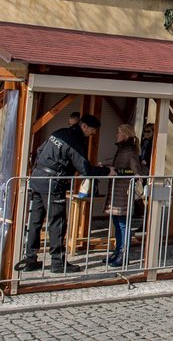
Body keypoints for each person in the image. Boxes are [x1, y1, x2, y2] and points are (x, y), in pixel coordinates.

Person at [18, 114, 111, 273]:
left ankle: (30, 259)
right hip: (53, 183)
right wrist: (107, 171)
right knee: (57, 223)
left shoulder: (60, 132)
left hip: (38, 178)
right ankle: (58, 263)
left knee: (35, 220)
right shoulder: (75, 140)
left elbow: (40, 150)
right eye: (92, 131)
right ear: (84, 126)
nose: (92, 135)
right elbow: (85, 169)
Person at [104, 123, 146, 267]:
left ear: (125, 135)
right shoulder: (123, 150)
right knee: (117, 222)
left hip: (123, 191)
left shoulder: (130, 151)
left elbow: (135, 167)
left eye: (119, 133)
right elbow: (117, 163)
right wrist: (103, 164)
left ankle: (123, 254)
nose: (117, 135)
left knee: (123, 224)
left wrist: (137, 175)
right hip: (117, 191)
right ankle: (117, 251)